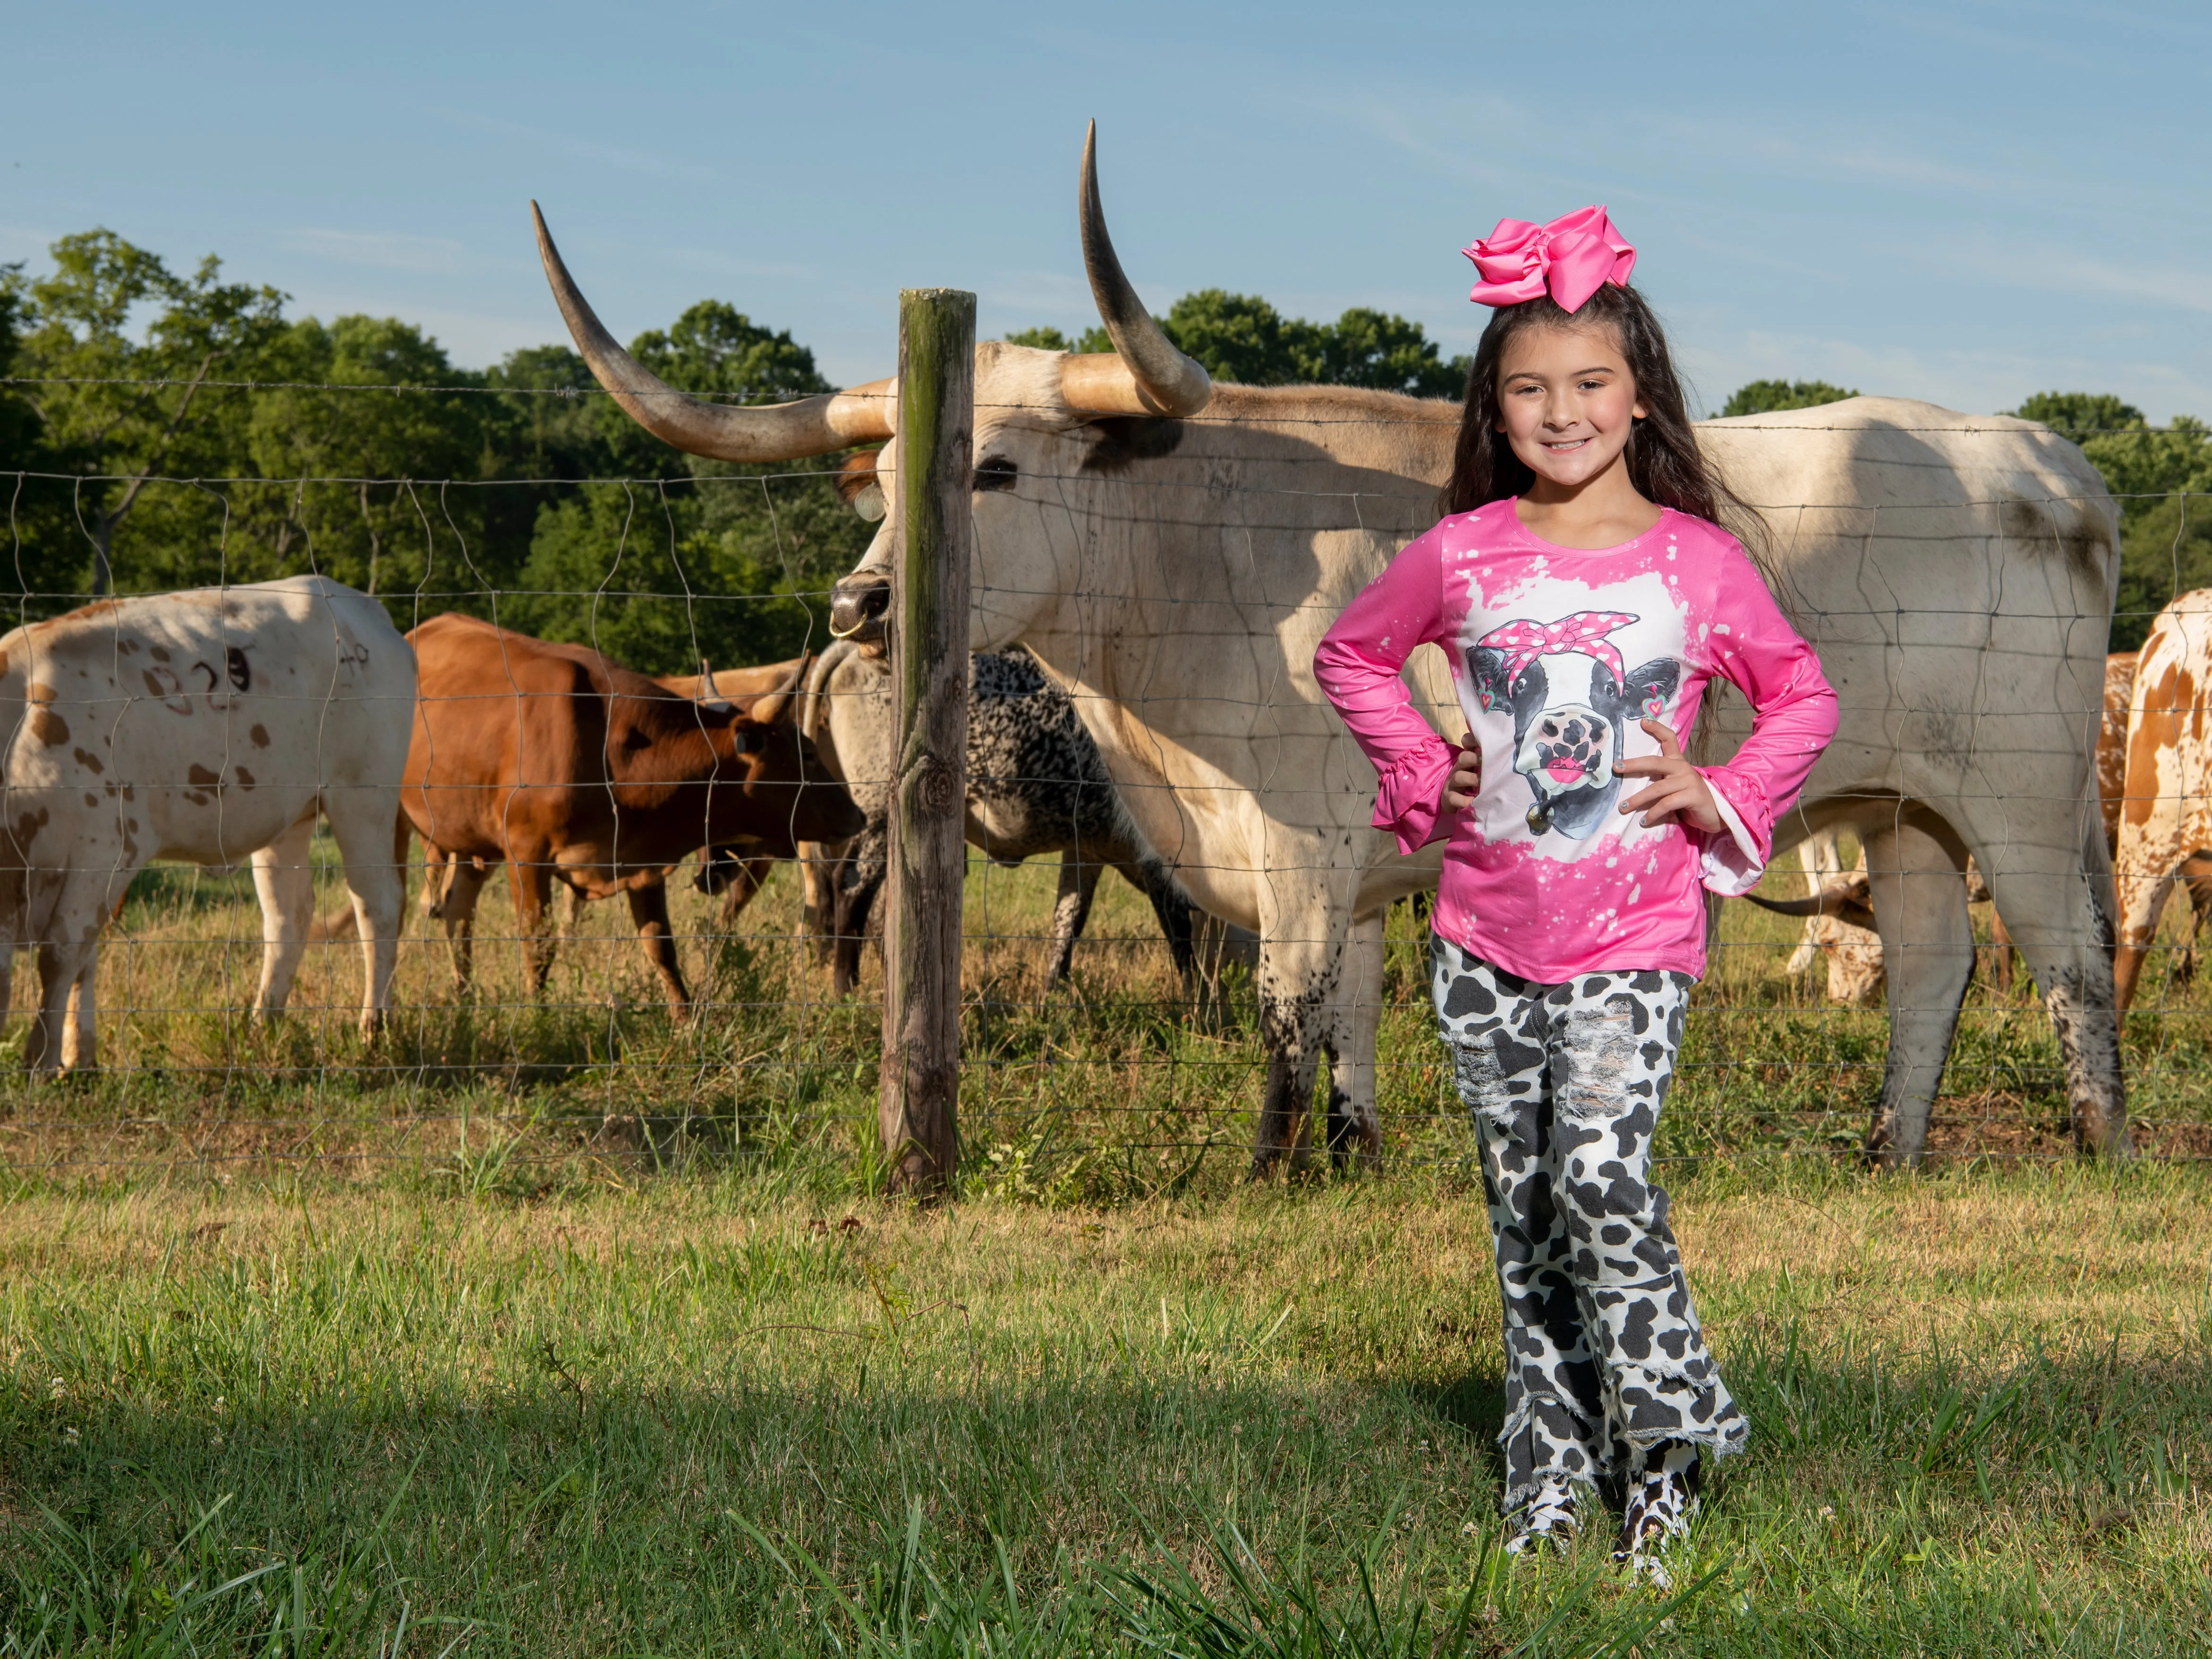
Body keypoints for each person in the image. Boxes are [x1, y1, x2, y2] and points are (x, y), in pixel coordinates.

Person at [1313, 208, 1838, 1581]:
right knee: (1524, 1215)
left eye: (1589, 383)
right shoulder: (1466, 550)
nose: (1561, 411)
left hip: (1638, 931)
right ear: (1495, 405)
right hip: (1483, 938)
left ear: (1639, 393)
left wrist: (1715, 792)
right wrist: (1426, 768)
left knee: (1601, 1174)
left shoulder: (1694, 563)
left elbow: (1800, 695)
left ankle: (1670, 1449)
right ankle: (1547, 1477)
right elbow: (1352, 658)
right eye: (1529, 387)